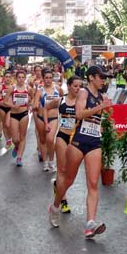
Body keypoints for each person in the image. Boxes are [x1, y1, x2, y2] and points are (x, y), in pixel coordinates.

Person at [48, 66, 113, 236]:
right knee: (68, 180)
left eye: (104, 78)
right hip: (77, 141)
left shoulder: (102, 96)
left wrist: (106, 116)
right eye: (101, 77)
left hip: (94, 142)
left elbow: (97, 120)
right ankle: (55, 206)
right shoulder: (84, 93)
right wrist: (100, 107)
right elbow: (79, 115)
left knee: (93, 183)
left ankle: (90, 223)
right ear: (91, 77)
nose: (103, 81)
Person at [45, 75, 82, 213]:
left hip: (76, 138)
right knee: (62, 169)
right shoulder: (61, 100)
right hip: (62, 136)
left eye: (80, 86)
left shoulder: (82, 102)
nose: (78, 89)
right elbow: (46, 107)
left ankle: (57, 186)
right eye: (75, 86)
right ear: (69, 86)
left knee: (70, 173)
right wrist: (47, 123)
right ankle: (63, 200)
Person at [3, 69, 34, 167]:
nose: (21, 79)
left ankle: (19, 157)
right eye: (19, 77)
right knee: (15, 139)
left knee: (22, 137)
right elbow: (5, 101)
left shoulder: (28, 88)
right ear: (16, 79)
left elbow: (33, 98)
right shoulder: (12, 88)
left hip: (24, 114)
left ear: (25, 78)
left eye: (23, 78)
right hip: (14, 114)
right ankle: (16, 146)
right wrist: (12, 105)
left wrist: (29, 104)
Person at [36, 68, 63, 172]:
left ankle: (52, 161)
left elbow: (62, 100)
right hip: (41, 117)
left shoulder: (57, 89)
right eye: (46, 78)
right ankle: (45, 162)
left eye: (50, 78)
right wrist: (35, 105)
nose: (48, 80)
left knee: (50, 139)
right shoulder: (40, 91)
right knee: (42, 140)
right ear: (43, 79)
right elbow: (35, 102)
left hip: (53, 117)